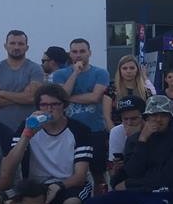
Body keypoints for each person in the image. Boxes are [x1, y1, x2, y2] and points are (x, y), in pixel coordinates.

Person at [0, 84, 93, 204]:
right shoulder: (27, 127)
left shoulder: (80, 130)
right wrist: (27, 135)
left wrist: (58, 186)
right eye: (44, 105)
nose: (49, 109)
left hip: (68, 183)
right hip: (35, 184)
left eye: (55, 104)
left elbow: (80, 176)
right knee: (8, 203)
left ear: (64, 106)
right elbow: (9, 166)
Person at [53, 39, 110, 191]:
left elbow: (95, 97)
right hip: (69, 132)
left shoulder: (100, 73)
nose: (78, 55)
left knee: (98, 173)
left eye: (82, 51)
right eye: (74, 52)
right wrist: (75, 73)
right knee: (71, 173)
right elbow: (62, 95)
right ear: (70, 54)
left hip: (95, 130)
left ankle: (100, 200)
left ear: (89, 53)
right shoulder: (60, 74)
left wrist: (67, 98)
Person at [0, 30, 45, 132]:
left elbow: (31, 98)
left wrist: (1, 92)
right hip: (0, 129)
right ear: (5, 46)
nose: (16, 47)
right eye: (12, 43)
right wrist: (22, 96)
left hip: (29, 128)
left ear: (27, 47)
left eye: (20, 44)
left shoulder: (35, 69)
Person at [104, 55, 153, 132]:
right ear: (120, 71)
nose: (128, 71)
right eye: (124, 68)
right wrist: (115, 133)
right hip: (117, 131)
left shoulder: (147, 92)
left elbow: (150, 116)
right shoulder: (111, 90)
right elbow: (107, 117)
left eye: (132, 68)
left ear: (137, 70)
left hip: (141, 132)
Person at [108, 96, 145, 181]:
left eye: (134, 119)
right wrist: (116, 168)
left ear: (144, 117)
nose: (129, 123)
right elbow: (112, 174)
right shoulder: (117, 131)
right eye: (125, 119)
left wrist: (134, 137)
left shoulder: (153, 130)